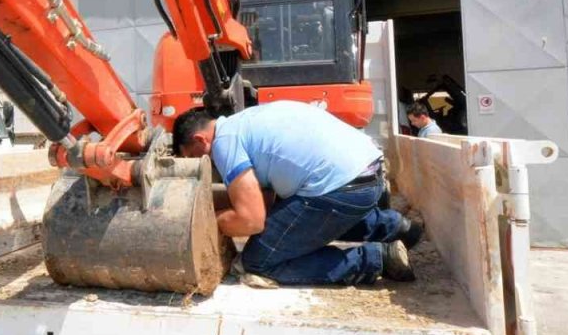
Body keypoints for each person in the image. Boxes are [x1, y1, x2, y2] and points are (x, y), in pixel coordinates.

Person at [172, 102, 423, 286]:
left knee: (258, 261)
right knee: (307, 220)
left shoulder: (223, 144)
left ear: (200, 140)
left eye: (193, 157)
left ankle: (378, 259)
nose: (201, 163)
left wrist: (211, 222)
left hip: (343, 190)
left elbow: (252, 220)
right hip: (369, 177)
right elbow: (270, 206)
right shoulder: (244, 122)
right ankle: (398, 227)